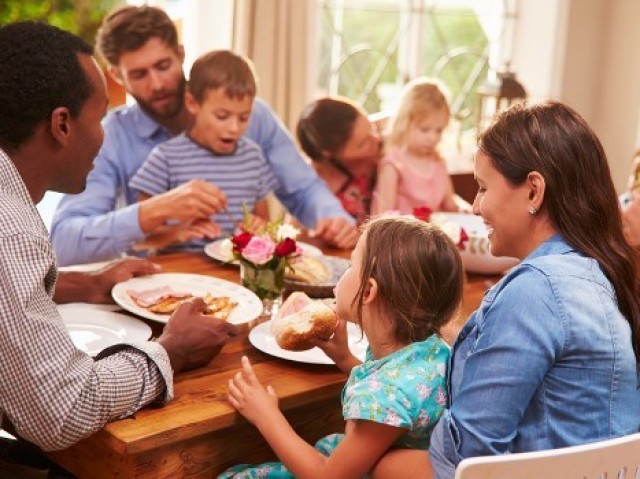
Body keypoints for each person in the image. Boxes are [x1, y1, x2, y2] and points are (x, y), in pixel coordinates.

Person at [0, 20, 237, 469]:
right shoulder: (10, 228)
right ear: (62, 124)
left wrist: (87, 285)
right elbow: (62, 409)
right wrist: (173, 350)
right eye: (101, 115)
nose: (105, 133)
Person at [372, 101, 640, 479]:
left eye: (482, 188)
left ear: (533, 191)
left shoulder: (537, 291)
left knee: (376, 461)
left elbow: (466, 456)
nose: (477, 206)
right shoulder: (595, 271)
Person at [50, 5, 358, 267]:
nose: (156, 84)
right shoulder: (113, 135)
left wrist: (334, 219)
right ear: (117, 76)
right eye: (139, 74)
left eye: (163, 65)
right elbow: (62, 242)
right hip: (163, 284)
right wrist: (152, 211)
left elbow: (303, 188)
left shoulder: (253, 115)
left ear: (181, 54)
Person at [220, 215, 464, 478]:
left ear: (368, 292)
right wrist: (344, 358)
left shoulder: (385, 395)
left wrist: (266, 416)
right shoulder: (428, 349)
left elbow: (328, 476)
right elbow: (400, 390)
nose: (344, 273)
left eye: (350, 265)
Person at [129, 50, 277, 253]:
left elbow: (265, 224)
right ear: (192, 103)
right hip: (180, 274)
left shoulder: (253, 157)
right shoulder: (166, 158)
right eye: (222, 116)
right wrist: (177, 233)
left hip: (233, 274)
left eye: (244, 117)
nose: (234, 128)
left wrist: (259, 229)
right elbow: (137, 239)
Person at [373, 78, 461, 215]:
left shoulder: (437, 162)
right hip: (402, 234)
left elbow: (450, 203)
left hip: (435, 232)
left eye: (439, 130)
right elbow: (383, 214)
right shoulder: (393, 164)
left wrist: (463, 209)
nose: (433, 138)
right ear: (404, 123)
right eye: (424, 129)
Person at [296, 96, 382, 225]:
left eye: (372, 127)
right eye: (362, 144)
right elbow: (294, 233)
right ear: (329, 153)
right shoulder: (313, 183)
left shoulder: (393, 130)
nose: (377, 139)